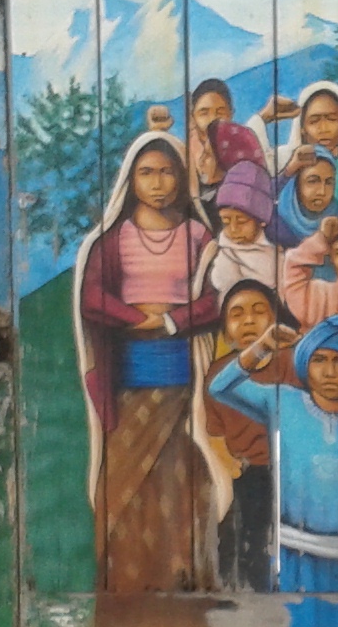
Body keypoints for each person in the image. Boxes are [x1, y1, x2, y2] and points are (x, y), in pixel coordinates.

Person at [72, 116, 226, 593]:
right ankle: (126, 581)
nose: (158, 184)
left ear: (180, 177)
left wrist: (171, 320)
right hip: (128, 381)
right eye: (147, 173)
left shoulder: (199, 237)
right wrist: (135, 319)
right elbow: (92, 298)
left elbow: (216, 299)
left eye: (166, 172)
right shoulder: (113, 240)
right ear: (131, 180)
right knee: (124, 481)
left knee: (177, 478)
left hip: (183, 379)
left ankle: (180, 576)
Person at [210, 314, 338, 627]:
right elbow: (220, 387)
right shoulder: (283, 402)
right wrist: (262, 347)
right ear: (305, 363)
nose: (329, 371)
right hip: (294, 559)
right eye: (319, 359)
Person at [204, 280, 294, 592]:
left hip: (292, 473)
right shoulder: (219, 373)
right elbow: (215, 434)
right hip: (246, 476)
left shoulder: (292, 363)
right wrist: (230, 468)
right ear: (226, 331)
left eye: (259, 311)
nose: (248, 321)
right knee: (244, 553)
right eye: (237, 314)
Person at [257, 79, 338, 219]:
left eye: (331, 119)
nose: (323, 128)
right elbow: (251, 170)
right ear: (302, 127)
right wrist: (264, 117)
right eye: (314, 121)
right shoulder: (285, 159)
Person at [192, 159, 279, 298]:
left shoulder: (276, 254)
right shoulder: (217, 249)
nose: (233, 229)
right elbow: (197, 291)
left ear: (261, 220)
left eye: (241, 221)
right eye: (226, 221)